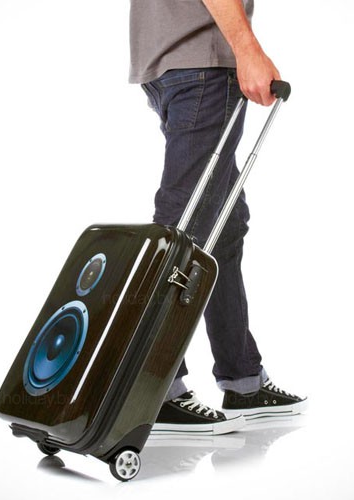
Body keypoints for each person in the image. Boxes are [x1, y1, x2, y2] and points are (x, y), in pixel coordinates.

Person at [129, 0, 306, 435]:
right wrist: (248, 50)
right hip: (202, 61)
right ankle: (154, 392)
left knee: (223, 226)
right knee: (183, 229)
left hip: (166, 60)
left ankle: (243, 380)